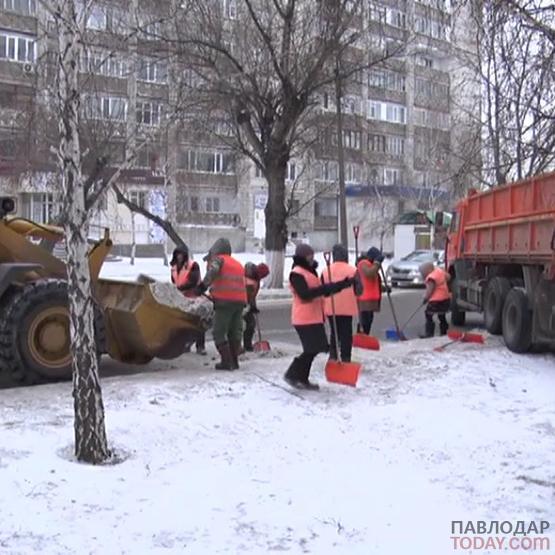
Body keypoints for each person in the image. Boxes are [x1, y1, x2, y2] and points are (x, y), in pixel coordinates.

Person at [284, 244, 354, 390]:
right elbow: (305, 294)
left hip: (314, 317)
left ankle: (302, 378)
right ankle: (292, 374)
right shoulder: (296, 273)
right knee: (312, 348)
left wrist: (342, 285)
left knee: (315, 348)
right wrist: (325, 288)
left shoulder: (310, 272)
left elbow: (321, 291)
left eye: (312, 255)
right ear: (303, 256)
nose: (312, 257)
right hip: (303, 318)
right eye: (309, 255)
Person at [196, 238, 246, 370]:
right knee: (234, 332)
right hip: (240, 302)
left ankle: (226, 361)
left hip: (224, 302)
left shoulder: (219, 260)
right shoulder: (237, 263)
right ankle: (234, 362)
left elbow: (213, 271)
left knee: (219, 332)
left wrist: (202, 286)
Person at [320, 244, 361, 363]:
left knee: (334, 332)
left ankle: (333, 356)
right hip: (347, 308)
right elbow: (359, 290)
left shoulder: (325, 271)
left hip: (330, 307)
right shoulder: (353, 270)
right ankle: (346, 358)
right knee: (346, 334)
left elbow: (321, 289)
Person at [170, 245, 206, 355]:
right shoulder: (174, 267)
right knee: (184, 323)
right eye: (177, 254)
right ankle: (187, 344)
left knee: (198, 323)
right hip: (181, 298)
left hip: (194, 297)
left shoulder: (193, 265)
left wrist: (179, 288)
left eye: (181, 254)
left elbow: (193, 281)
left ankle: (200, 346)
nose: (179, 256)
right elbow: (174, 280)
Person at [243, 262, 270, 352]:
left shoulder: (255, 279)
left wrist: (253, 306)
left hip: (246, 304)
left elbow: (252, 296)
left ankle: (246, 345)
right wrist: (251, 307)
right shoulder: (249, 280)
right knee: (248, 324)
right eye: (263, 276)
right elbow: (248, 296)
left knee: (249, 324)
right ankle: (246, 346)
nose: (262, 278)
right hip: (241, 305)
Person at [356, 246, 384, 334]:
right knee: (365, 320)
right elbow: (369, 274)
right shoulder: (363, 263)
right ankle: (362, 335)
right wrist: (377, 263)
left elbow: (373, 281)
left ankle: (365, 335)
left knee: (369, 320)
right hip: (364, 298)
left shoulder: (371, 265)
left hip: (371, 298)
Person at [419, 261, 451, 337]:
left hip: (436, 301)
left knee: (428, 314)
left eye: (423, 273)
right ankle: (444, 332)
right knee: (441, 315)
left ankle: (429, 333)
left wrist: (425, 299)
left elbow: (430, 290)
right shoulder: (439, 272)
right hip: (445, 298)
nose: (423, 275)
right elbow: (448, 277)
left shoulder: (431, 278)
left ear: (429, 270)